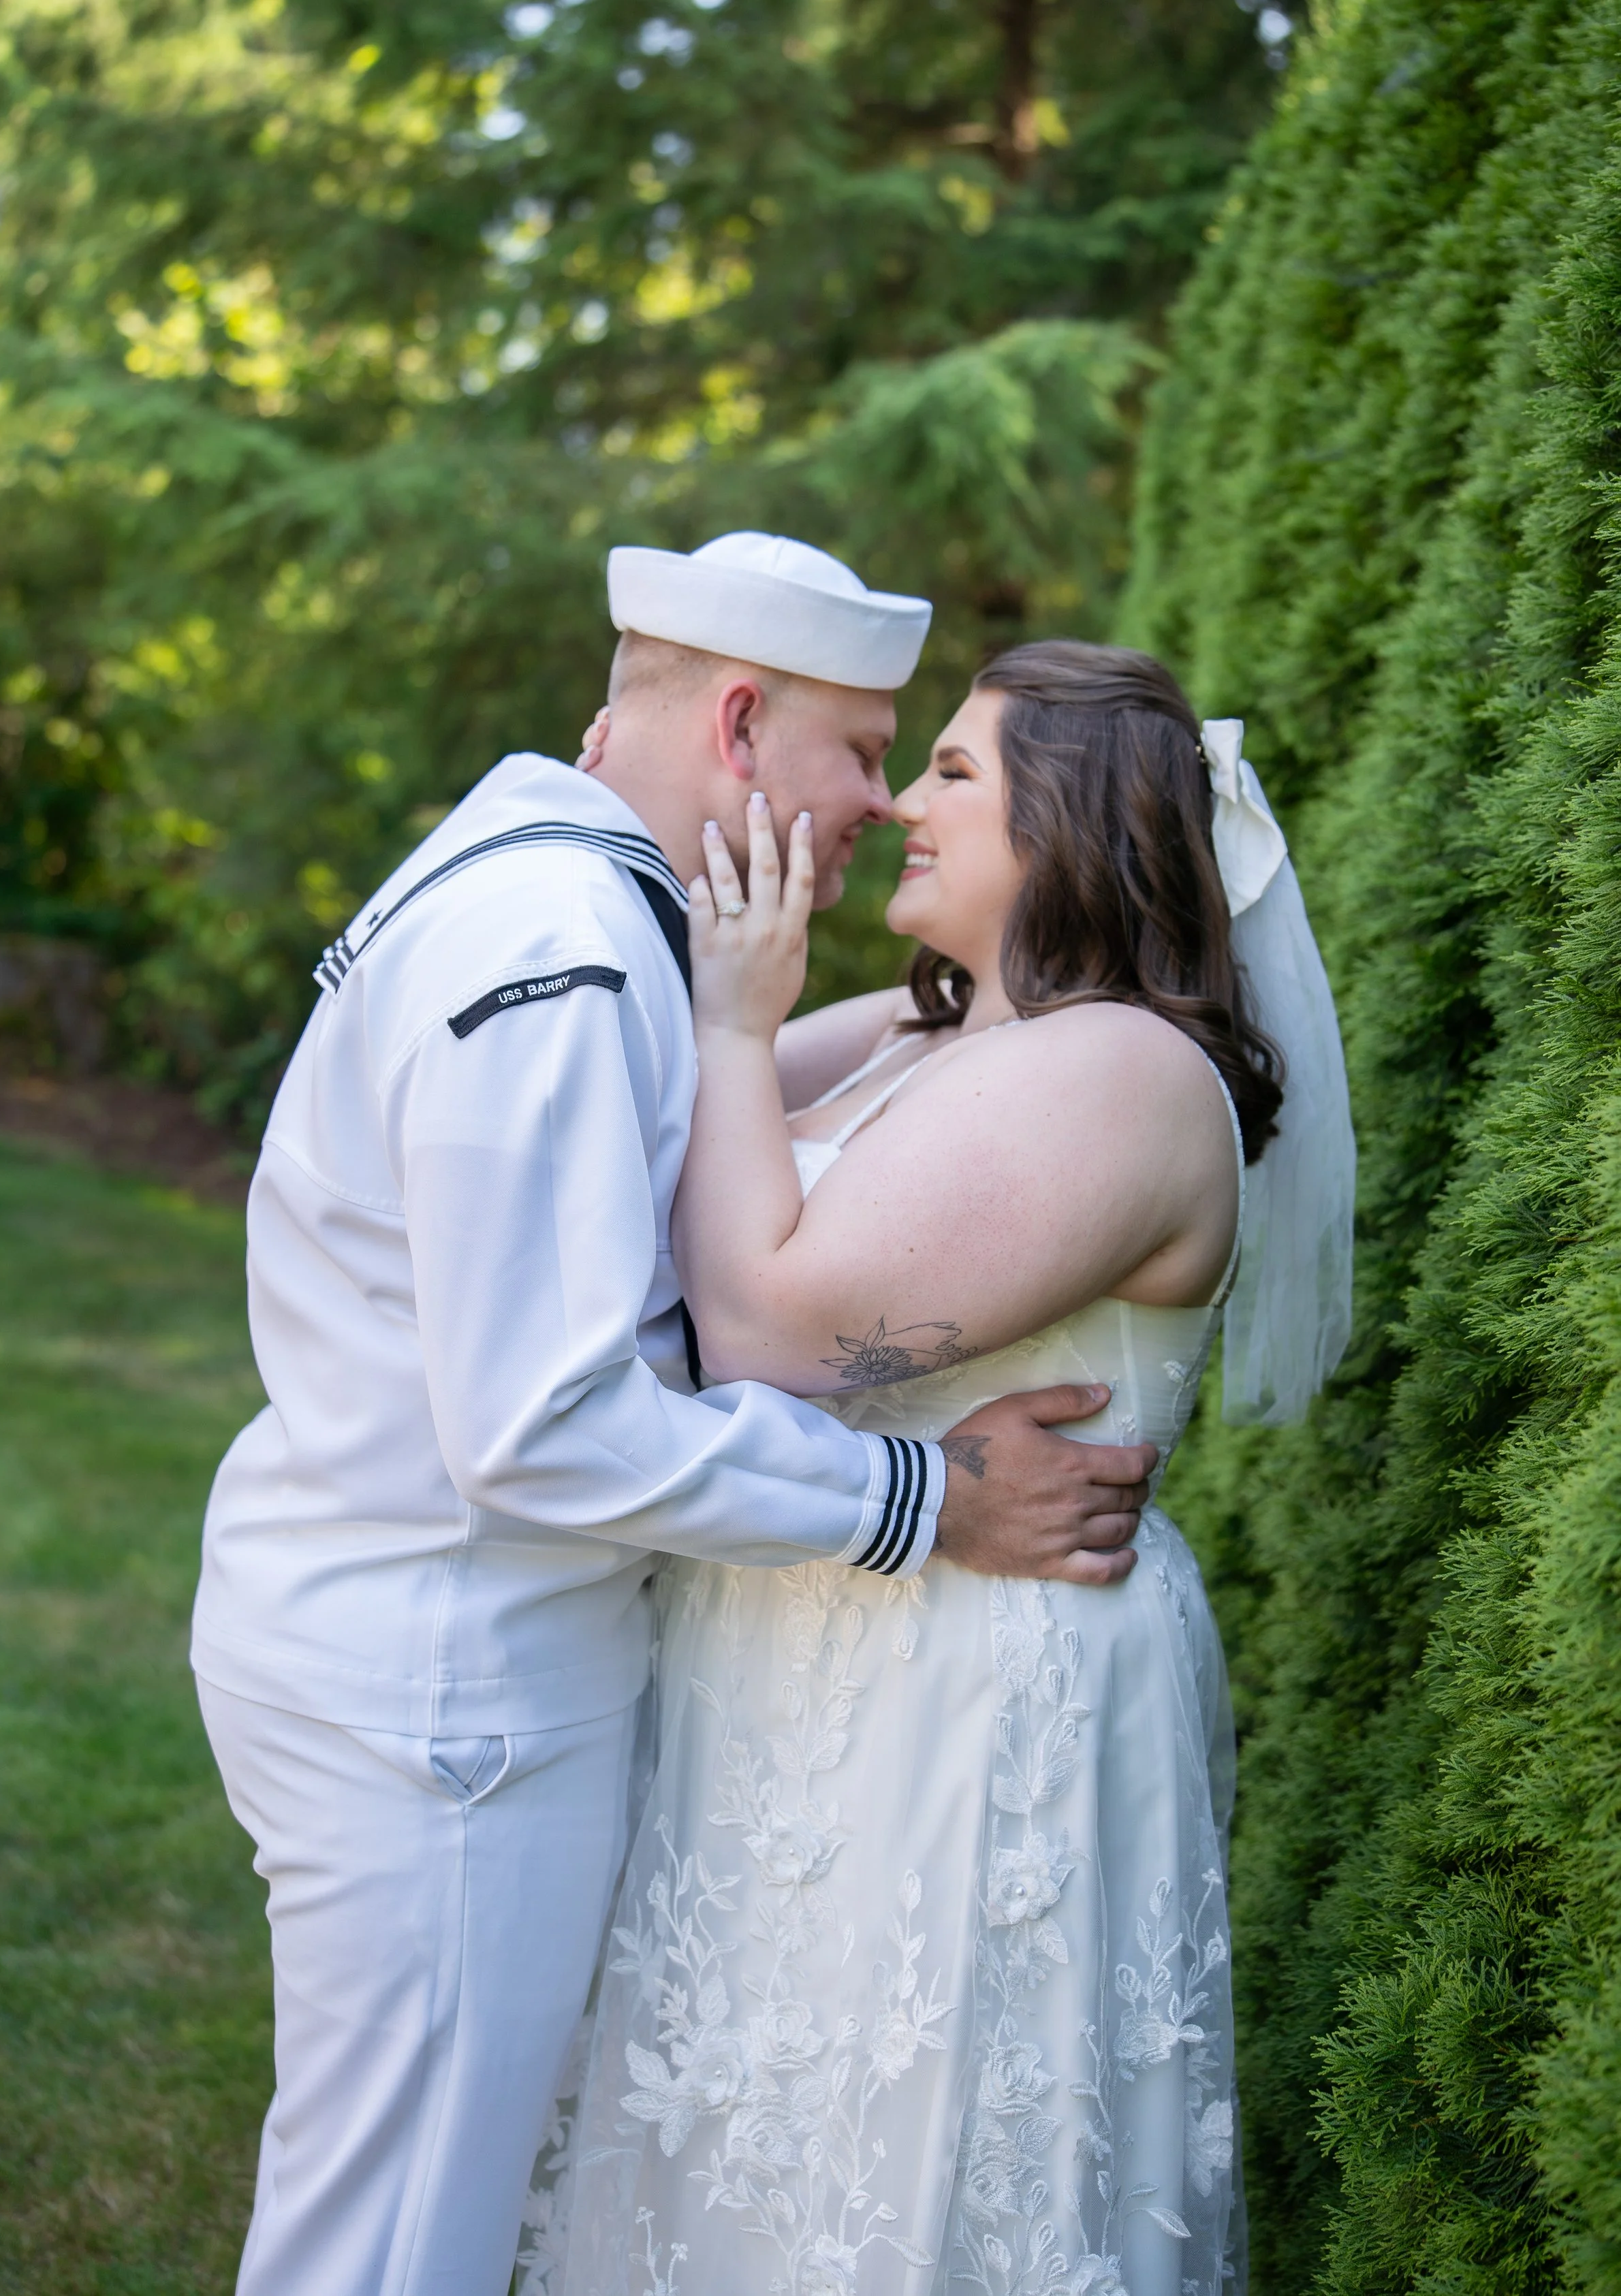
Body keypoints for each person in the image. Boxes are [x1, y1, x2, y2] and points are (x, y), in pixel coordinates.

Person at [190, 536, 1163, 2296]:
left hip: (392, 1624)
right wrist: (919, 1498)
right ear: (737, 720)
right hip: (446, 1690)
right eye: (865, 747)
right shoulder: (559, 952)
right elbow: (544, 1424)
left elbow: (736, 1139)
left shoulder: (551, 886)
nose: (874, 799)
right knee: (396, 2240)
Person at [522, 641, 1354, 2296]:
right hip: (808, 1646)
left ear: (1073, 826)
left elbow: (763, 1328)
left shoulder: (1120, 1075)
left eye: (955, 774)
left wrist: (742, 1013)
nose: (902, 800)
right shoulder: (928, 1034)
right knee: (734, 2127)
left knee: (907, 2153)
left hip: (969, 1690)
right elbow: (680, 1141)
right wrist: (723, 1017)